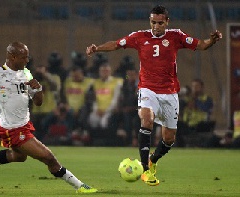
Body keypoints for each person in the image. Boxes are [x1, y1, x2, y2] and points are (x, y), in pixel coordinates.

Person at [86, 5, 222, 186]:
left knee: (169, 138)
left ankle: (153, 160)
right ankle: (145, 169)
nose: (156, 26)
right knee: (147, 119)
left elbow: (202, 45)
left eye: (160, 23)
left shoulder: (176, 36)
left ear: (167, 22)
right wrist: (98, 49)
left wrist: (212, 40)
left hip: (170, 92)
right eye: (153, 22)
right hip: (147, 88)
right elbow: (117, 44)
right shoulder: (140, 36)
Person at [0, 41, 97, 193]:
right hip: (13, 129)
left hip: (24, 125)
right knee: (49, 158)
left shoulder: (26, 73)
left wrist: (38, 89)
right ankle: (79, 186)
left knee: (19, 157)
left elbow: (38, 102)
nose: (27, 60)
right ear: (13, 57)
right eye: (24, 57)